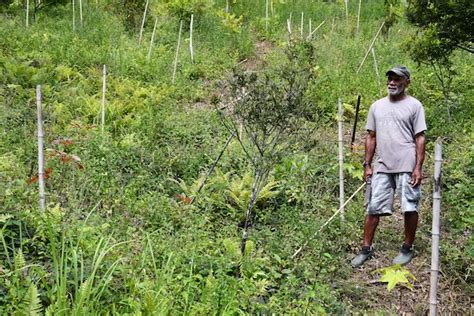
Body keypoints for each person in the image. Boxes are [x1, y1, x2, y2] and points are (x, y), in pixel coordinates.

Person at [351, 65, 427, 268]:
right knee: (373, 207)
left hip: (406, 164)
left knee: (409, 207)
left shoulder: (414, 106)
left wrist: (418, 167)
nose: (392, 82)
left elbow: (420, 137)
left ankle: (407, 248)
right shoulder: (377, 106)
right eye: (390, 79)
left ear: (406, 82)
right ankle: (365, 249)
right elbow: (371, 136)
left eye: (397, 79)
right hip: (383, 164)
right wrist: (367, 165)